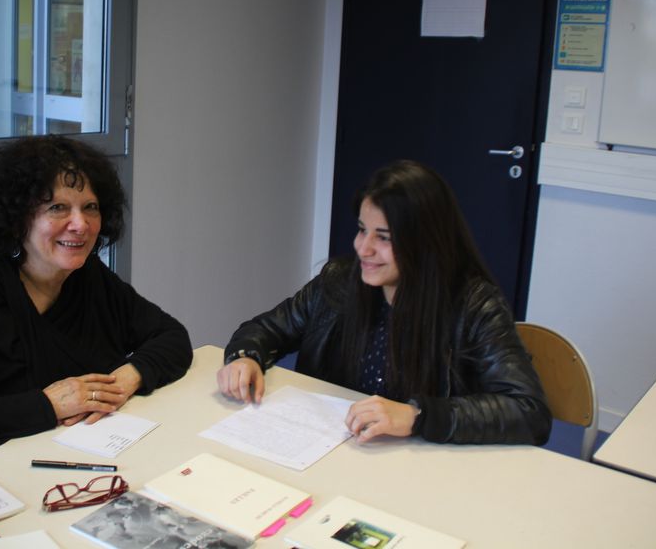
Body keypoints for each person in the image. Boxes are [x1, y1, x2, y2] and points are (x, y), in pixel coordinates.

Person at [0, 135, 192, 452]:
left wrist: (127, 379)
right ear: (20, 218)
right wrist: (49, 405)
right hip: (3, 472)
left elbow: (172, 337)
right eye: (58, 208)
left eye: (90, 207)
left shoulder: (89, 276)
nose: (81, 224)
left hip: (91, 458)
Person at [216, 160, 550, 445]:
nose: (363, 249)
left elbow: (528, 412)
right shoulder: (339, 282)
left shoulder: (474, 306)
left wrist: (418, 416)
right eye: (362, 230)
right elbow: (266, 329)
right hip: (336, 448)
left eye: (384, 238)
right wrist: (245, 358)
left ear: (425, 242)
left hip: (425, 468)